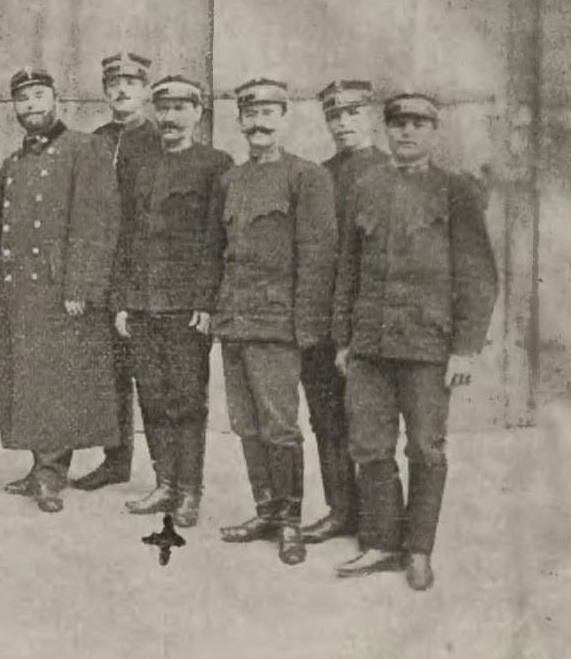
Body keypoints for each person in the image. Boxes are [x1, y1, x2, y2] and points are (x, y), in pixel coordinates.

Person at [332, 93, 498, 591]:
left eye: (417, 124)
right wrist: (343, 340)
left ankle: (419, 550)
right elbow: (348, 268)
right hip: (369, 346)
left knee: (425, 448)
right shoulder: (366, 186)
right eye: (398, 124)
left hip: (427, 346)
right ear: (386, 130)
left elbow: (478, 276)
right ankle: (383, 543)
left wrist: (465, 349)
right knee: (370, 445)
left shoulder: (456, 191)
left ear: (433, 131)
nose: (406, 132)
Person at [213, 78, 336, 565]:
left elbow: (317, 257)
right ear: (240, 122)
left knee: (280, 426)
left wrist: (307, 329)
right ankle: (265, 511)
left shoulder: (307, 177)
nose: (259, 123)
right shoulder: (231, 181)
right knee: (245, 424)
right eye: (251, 114)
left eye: (268, 113)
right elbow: (219, 252)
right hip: (234, 321)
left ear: (284, 119)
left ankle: (290, 522)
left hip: (278, 325)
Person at [0, 68, 120, 513]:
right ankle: (39, 466)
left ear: (56, 100)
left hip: (60, 288)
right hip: (20, 288)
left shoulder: (84, 148)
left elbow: (96, 222)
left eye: (38, 95)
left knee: (57, 381)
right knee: (29, 380)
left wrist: (80, 284)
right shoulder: (15, 161)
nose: (31, 105)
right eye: (23, 98)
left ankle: (51, 474)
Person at [114, 76, 232, 526]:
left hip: (185, 306)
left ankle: (189, 491)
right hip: (143, 303)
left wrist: (206, 301)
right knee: (152, 397)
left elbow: (216, 240)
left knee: (186, 399)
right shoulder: (142, 166)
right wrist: (123, 301)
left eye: (180, 108)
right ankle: (164, 483)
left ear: (198, 113)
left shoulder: (215, 165)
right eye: (163, 108)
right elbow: (127, 236)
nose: (170, 117)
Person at [299, 80, 390, 544]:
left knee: (371, 425)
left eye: (353, 113)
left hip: (369, 321)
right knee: (326, 418)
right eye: (334, 115)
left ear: (372, 116)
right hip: (320, 319)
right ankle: (341, 511)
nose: (343, 123)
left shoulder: (391, 172)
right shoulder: (318, 175)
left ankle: (380, 522)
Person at [71, 51, 151, 492]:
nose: (122, 90)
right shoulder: (95, 141)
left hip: (144, 271)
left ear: (145, 90)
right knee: (111, 373)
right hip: (103, 269)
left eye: (131, 83)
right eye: (114, 84)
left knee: (151, 376)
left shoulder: (158, 139)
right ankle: (116, 460)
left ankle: (168, 474)